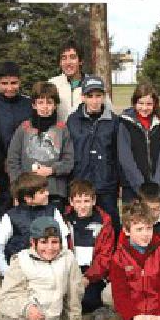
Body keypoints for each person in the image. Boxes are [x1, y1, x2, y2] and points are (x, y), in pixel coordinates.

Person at [7, 81, 74, 212]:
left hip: (53, 192)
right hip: (27, 193)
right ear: (34, 105)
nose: (45, 107)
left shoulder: (62, 129)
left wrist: (51, 170)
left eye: (49, 103)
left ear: (55, 105)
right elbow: (13, 161)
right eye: (41, 102)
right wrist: (17, 190)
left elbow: (69, 161)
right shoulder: (24, 128)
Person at [66, 75, 120, 231]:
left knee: (109, 222)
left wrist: (117, 180)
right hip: (81, 181)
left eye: (98, 96)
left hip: (106, 183)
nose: (95, 100)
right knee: (81, 223)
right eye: (90, 96)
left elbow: (118, 153)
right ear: (83, 97)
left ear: (104, 97)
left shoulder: (113, 121)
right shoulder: (73, 120)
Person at [0, 61, 31, 232]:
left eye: (13, 83)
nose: (9, 88)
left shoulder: (29, 104)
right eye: (4, 83)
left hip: (23, 169)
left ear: (20, 82)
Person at [0, 173, 69, 277]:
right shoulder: (10, 216)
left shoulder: (53, 211)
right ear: (28, 198)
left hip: (49, 271)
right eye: (42, 192)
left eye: (46, 190)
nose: (47, 193)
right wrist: (6, 272)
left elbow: (63, 241)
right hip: (21, 272)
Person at [62, 180, 115, 315]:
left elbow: (105, 256)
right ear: (71, 202)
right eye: (78, 202)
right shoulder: (64, 220)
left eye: (86, 201)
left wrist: (88, 278)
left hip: (93, 273)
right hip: (71, 270)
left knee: (90, 301)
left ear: (94, 201)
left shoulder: (104, 222)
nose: (82, 206)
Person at [116, 81, 160, 205]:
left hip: (155, 188)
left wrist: (156, 184)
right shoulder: (125, 123)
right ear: (134, 103)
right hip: (132, 187)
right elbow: (125, 157)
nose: (144, 108)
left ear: (155, 104)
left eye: (149, 104)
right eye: (141, 103)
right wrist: (140, 186)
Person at [48, 39, 111, 123]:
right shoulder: (53, 84)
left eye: (72, 57)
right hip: (60, 135)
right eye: (64, 58)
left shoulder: (94, 85)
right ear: (60, 62)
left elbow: (110, 115)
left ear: (81, 61)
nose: (68, 62)